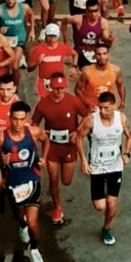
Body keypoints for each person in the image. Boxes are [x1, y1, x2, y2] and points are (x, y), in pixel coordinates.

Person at [0, 101, 49, 262]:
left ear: (26, 119)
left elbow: (46, 140)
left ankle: (34, 249)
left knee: (33, 222)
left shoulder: (33, 132)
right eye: (15, 119)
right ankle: (21, 225)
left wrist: (44, 158)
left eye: (21, 119)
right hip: (13, 185)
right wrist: (1, 161)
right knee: (20, 215)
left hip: (32, 181)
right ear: (10, 118)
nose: (18, 123)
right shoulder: (1, 138)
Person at [31, 72, 88, 228]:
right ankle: (57, 207)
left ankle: (56, 194)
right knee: (53, 178)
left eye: (62, 88)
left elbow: (87, 116)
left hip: (69, 146)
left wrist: (77, 131)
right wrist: (42, 133)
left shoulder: (74, 102)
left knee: (66, 181)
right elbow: (34, 124)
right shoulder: (43, 104)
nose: (59, 92)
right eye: (56, 88)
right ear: (50, 88)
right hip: (52, 147)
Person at [75, 90, 129, 245]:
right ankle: (103, 211)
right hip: (97, 167)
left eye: (106, 108)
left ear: (114, 105)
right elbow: (79, 137)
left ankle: (106, 228)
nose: (102, 111)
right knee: (100, 206)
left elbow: (129, 136)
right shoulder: (91, 120)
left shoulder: (121, 118)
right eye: (100, 107)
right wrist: (83, 160)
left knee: (112, 204)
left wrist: (127, 154)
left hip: (115, 166)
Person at [27, 23, 77, 99]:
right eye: (50, 36)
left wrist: (74, 67)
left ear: (58, 36)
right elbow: (29, 68)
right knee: (45, 102)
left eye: (54, 36)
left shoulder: (63, 48)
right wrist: (37, 62)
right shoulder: (38, 49)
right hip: (44, 82)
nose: (52, 39)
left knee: (60, 100)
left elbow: (75, 54)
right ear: (46, 35)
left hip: (59, 80)